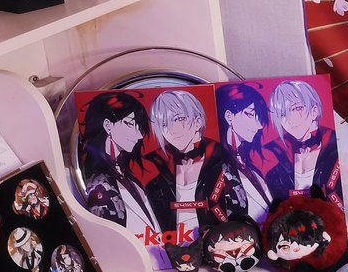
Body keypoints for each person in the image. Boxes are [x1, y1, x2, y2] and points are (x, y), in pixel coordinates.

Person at [148, 89, 247, 241]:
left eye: (179, 119)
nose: (171, 130)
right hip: (174, 247)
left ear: (197, 121)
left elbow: (241, 209)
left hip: (220, 245)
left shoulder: (222, 161)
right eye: (164, 124)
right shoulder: (157, 173)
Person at [80, 91, 168, 237]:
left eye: (138, 127)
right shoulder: (99, 184)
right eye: (130, 124)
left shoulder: (124, 174)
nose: (139, 135)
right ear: (108, 125)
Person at [216, 83, 289, 221]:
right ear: (229, 116)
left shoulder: (250, 168)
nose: (259, 125)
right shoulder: (218, 171)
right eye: (250, 114)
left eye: (258, 117)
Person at [268, 80, 341, 201]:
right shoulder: (277, 161)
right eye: (282, 114)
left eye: (297, 108)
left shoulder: (336, 148)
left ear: (314, 111)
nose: (289, 119)